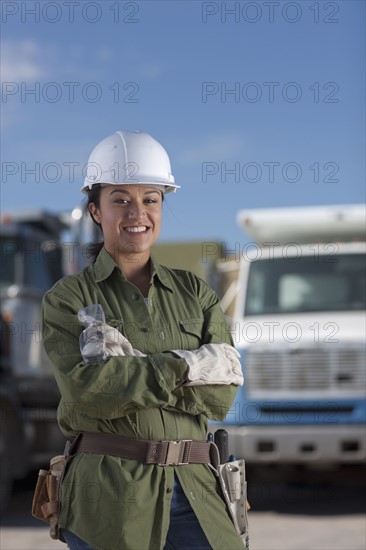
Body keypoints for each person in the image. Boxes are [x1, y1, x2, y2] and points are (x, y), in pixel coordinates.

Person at [42, 129, 245, 550]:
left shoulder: (196, 292)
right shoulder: (69, 299)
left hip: (198, 492)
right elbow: (88, 393)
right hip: (110, 498)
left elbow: (223, 394)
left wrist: (130, 369)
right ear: (96, 211)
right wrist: (189, 366)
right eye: (120, 199)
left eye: (150, 199)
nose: (138, 212)